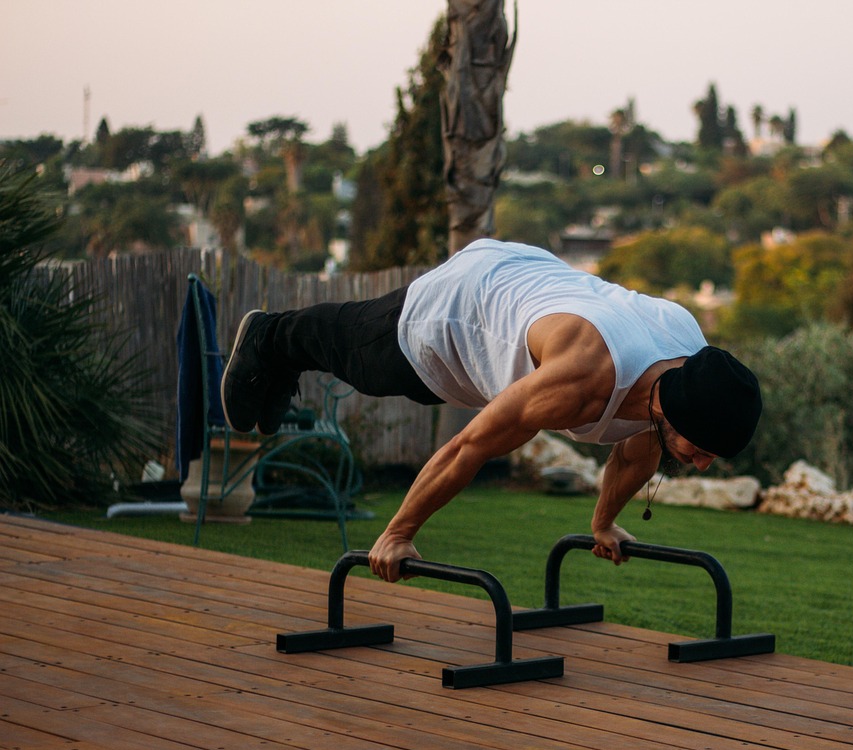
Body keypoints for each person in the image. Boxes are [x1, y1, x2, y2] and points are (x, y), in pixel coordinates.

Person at [222, 239, 762, 583]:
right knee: (364, 357)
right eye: (703, 451)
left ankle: (279, 352)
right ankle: (269, 339)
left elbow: (635, 455)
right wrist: (397, 533)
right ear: (671, 411)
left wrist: (604, 524)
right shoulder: (581, 377)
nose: (703, 465)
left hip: (532, 277)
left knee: (373, 363)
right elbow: (469, 447)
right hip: (464, 306)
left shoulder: (685, 366)